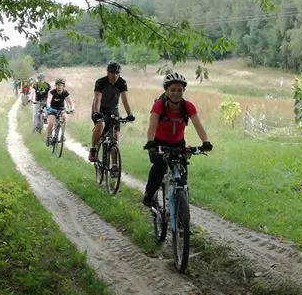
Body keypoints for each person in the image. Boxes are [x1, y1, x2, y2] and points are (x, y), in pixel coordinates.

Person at [141, 72, 212, 207]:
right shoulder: (159, 105)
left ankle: (181, 215)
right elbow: (153, 125)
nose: (176, 93)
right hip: (158, 143)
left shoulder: (188, 106)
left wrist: (205, 142)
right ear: (166, 91)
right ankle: (149, 195)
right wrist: (150, 141)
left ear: (183, 91)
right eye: (172, 90)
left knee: (182, 176)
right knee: (160, 167)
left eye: (180, 90)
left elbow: (198, 125)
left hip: (178, 144)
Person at [89, 61, 134, 163]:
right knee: (100, 125)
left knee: (115, 137)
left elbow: (125, 100)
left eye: (117, 73)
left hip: (113, 109)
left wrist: (129, 114)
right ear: (108, 72)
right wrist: (96, 112)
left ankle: (114, 166)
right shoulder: (101, 82)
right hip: (100, 108)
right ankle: (93, 149)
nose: (115, 75)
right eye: (112, 72)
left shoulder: (122, 82)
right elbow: (97, 99)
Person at [44, 78, 74, 145]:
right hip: (52, 109)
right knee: (51, 123)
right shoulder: (52, 92)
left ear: (63, 86)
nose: (59, 86)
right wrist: (49, 107)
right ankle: (48, 137)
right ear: (55, 86)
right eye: (57, 85)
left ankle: (62, 135)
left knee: (65, 118)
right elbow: (48, 100)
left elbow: (70, 102)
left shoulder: (65, 92)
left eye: (61, 85)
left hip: (61, 109)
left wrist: (72, 108)